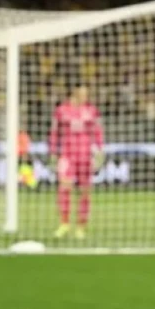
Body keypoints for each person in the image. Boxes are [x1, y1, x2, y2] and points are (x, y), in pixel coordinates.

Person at [49, 85, 104, 239]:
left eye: (87, 94)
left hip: (85, 155)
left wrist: (99, 150)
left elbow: (98, 131)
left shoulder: (91, 110)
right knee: (64, 187)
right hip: (67, 154)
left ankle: (81, 227)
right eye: (83, 93)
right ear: (75, 93)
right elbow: (54, 132)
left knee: (85, 191)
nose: (85, 97)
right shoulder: (61, 110)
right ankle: (64, 224)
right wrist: (53, 151)